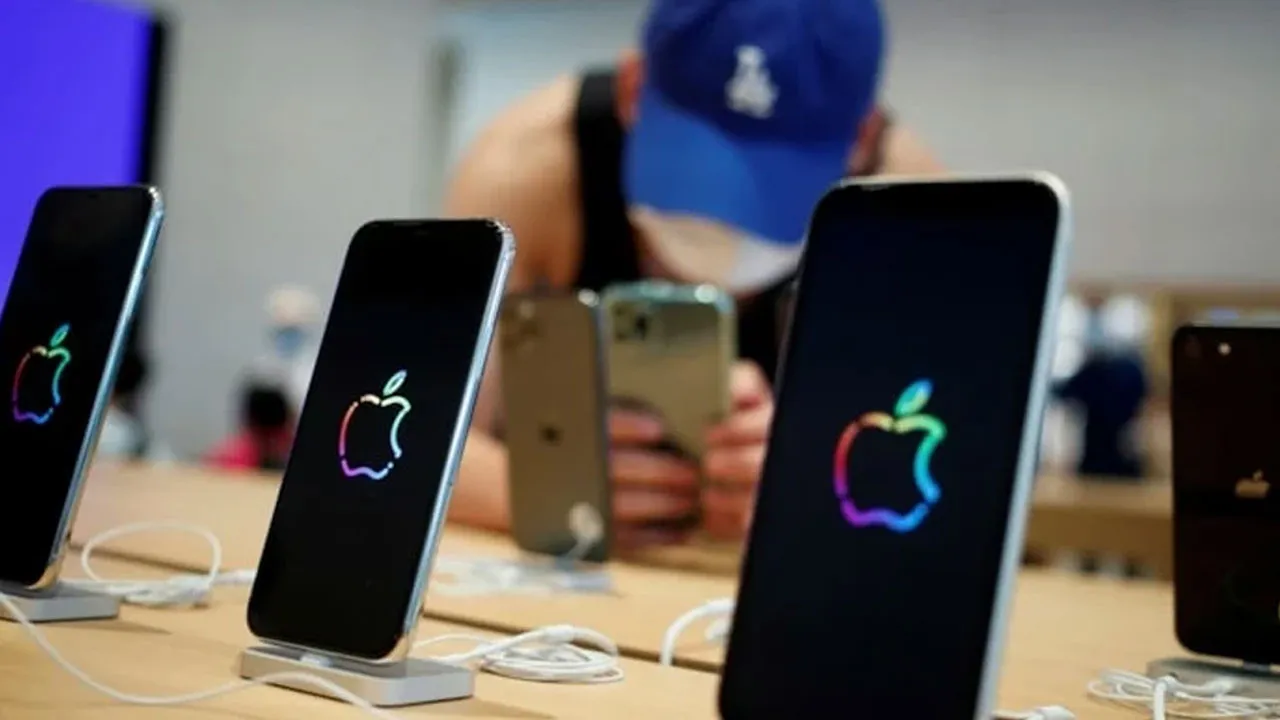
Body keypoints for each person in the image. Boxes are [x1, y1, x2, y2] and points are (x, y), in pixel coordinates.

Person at [446, 0, 944, 546]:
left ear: (862, 140)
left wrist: (814, 480)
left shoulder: (910, 210)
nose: (722, 226)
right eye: (691, 177)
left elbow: (953, 473)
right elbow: (427, 437)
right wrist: (545, 491)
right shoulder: (531, 169)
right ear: (633, 89)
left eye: (772, 187)